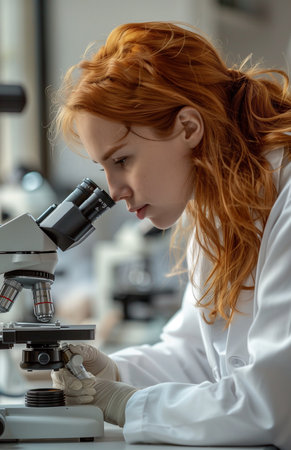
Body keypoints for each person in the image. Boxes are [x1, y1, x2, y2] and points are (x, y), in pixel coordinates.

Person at [51, 21, 291, 448]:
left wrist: (125, 405)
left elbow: (273, 404)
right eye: (103, 168)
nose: (113, 190)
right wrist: (112, 374)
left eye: (122, 159)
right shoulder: (213, 207)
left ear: (188, 128)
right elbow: (197, 355)